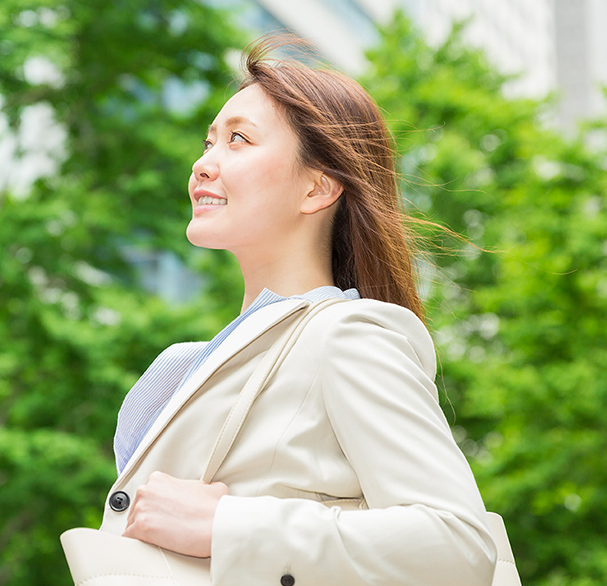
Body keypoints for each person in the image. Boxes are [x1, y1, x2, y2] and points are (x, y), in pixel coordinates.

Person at [99, 37, 497, 585]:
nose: (203, 164)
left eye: (238, 140)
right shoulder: (183, 365)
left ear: (318, 187)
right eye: (209, 140)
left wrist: (226, 525)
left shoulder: (347, 337)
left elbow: (457, 542)